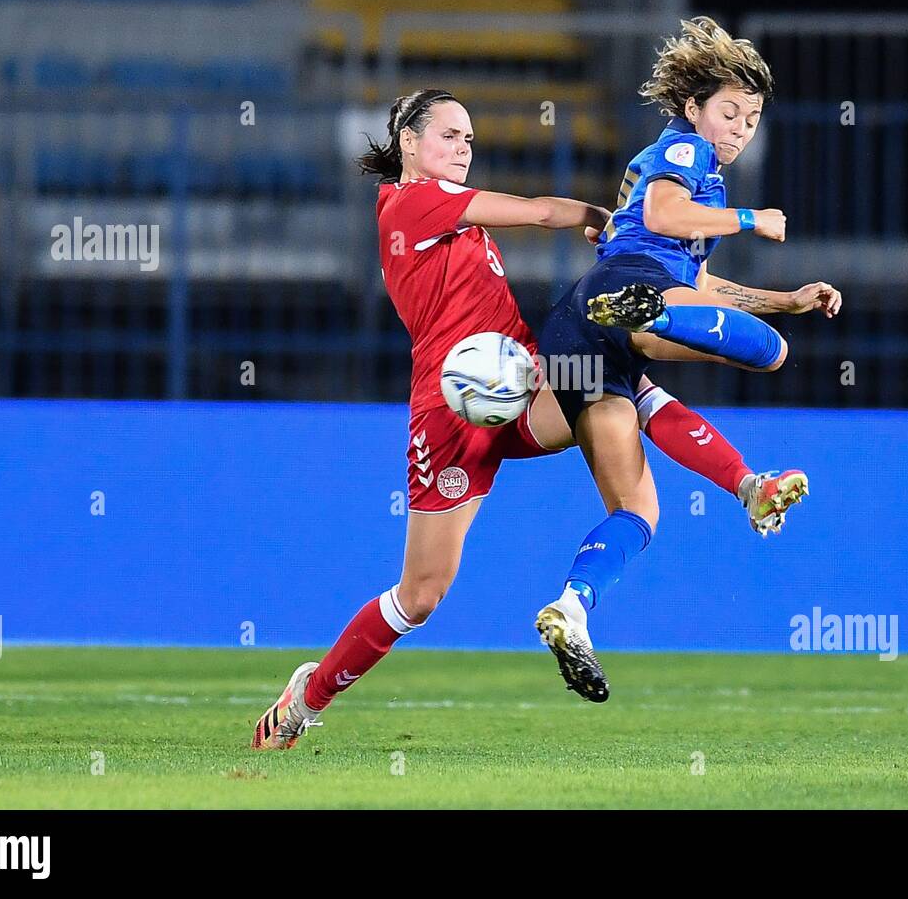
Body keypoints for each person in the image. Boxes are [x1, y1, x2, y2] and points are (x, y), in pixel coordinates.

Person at [251, 88, 817, 748]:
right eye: (450, 135)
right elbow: (543, 209)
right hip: (455, 405)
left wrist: (773, 297)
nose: (464, 148)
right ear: (409, 141)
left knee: (620, 385)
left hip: (515, 381)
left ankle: (746, 485)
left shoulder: (445, 216)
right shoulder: (419, 201)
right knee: (421, 595)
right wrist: (600, 216)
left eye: (469, 138)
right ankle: (304, 699)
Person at [533, 17, 843, 702]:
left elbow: (702, 285)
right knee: (770, 354)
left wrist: (784, 297)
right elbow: (668, 217)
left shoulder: (691, 171)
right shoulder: (684, 151)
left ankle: (573, 606)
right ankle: (654, 328)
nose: (739, 129)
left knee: (638, 508)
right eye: (729, 111)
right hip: (624, 295)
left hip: (583, 326)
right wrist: (749, 220)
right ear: (693, 107)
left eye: (753, 118)